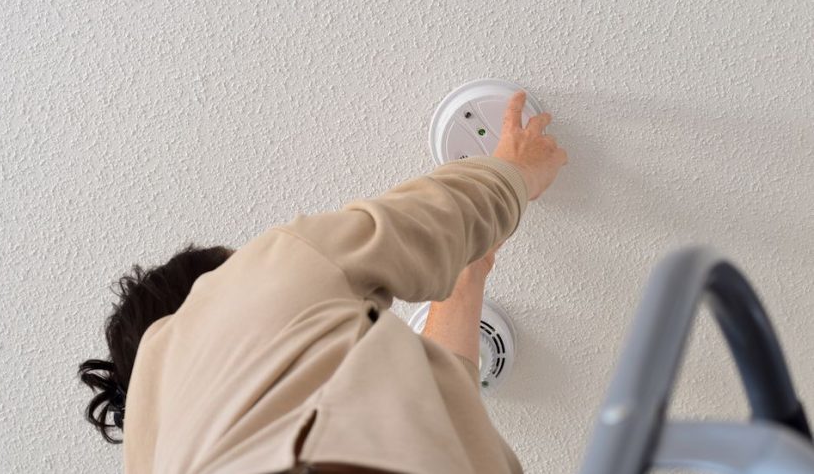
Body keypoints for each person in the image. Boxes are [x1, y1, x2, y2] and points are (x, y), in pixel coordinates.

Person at [79, 90, 567, 473]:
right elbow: (422, 224)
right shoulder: (242, 290)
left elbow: (439, 412)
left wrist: (469, 274)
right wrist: (516, 171)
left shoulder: (170, 450)